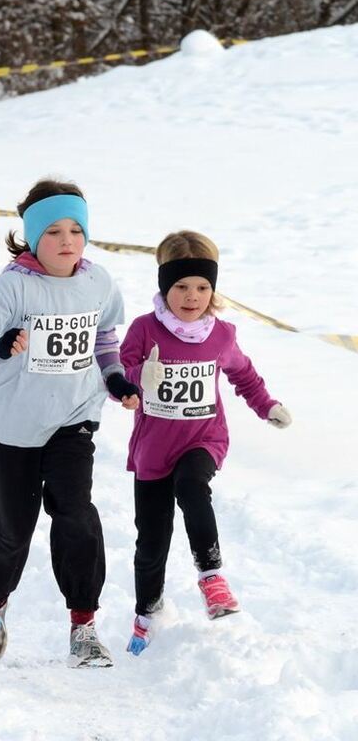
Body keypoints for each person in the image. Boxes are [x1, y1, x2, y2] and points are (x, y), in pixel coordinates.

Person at [0, 179, 140, 668]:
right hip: (14, 427)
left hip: (74, 420)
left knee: (76, 511)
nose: (67, 240)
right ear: (33, 237)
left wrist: (117, 381)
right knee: (15, 521)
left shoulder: (97, 282)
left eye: (77, 230)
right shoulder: (14, 286)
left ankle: (83, 623)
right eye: (54, 231)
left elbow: (104, 339)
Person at [119, 230, 292, 655]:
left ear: (213, 290)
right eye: (181, 286)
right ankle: (147, 613)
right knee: (151, 539)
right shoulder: (145, 330)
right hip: (154, 448)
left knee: (193, 486)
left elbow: (243, 375)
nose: (192, 296)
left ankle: (211, 577)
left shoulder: (221, 335)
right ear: (164, 287)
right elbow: (118, 372)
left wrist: (266, 406)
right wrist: (140, 378)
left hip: (204, 437)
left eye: (202, 287)